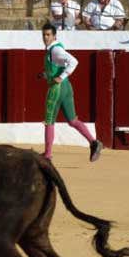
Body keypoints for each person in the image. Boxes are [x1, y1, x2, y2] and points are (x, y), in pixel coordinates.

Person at [39, 23, 103, 162]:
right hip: (67, 87)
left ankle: (48, 155)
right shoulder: (55, 49)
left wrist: (60, 77)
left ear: (54, 35)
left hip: (57, 88)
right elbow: (59, 67)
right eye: (44, 35)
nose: (45, 37)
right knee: (73, 120)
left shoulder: (54, 50)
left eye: (48, 35)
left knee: (49, 121)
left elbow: (73, 61)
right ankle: (94, 142)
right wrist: (46, 75)